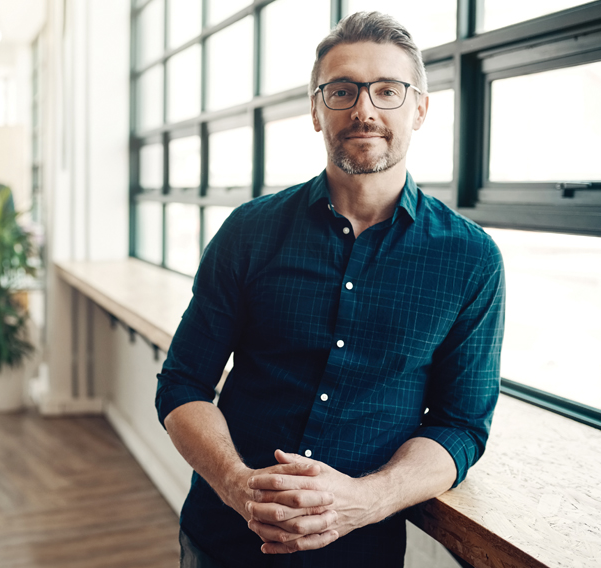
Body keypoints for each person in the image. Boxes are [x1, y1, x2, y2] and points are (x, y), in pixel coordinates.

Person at [155, 11, 505, 568]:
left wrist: (366, 501)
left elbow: (461, 426)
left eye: (388, 90)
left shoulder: (470, 259)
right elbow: (182, 383)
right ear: (317, 111)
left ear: (420, 107)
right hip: (223, 540)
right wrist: (237, 484)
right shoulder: (249, 231)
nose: (364, 109)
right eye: (342, 90)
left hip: (359, 552)